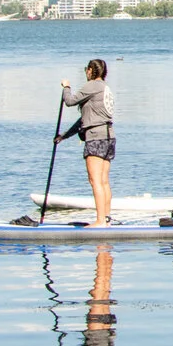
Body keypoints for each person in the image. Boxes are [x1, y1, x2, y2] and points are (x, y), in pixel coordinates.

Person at [60, 58, 115, 224]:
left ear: (91, 70)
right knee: (104, 181)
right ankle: (106, 219)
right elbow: (85, 118)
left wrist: (66, 87)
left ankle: (99, 222)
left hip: (96, 138)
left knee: (95, 180)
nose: (86, 72)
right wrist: (64, 136)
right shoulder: (105, 88)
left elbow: (69, 101)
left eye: (87, 69)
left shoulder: (92, 86)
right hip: (109, 137)